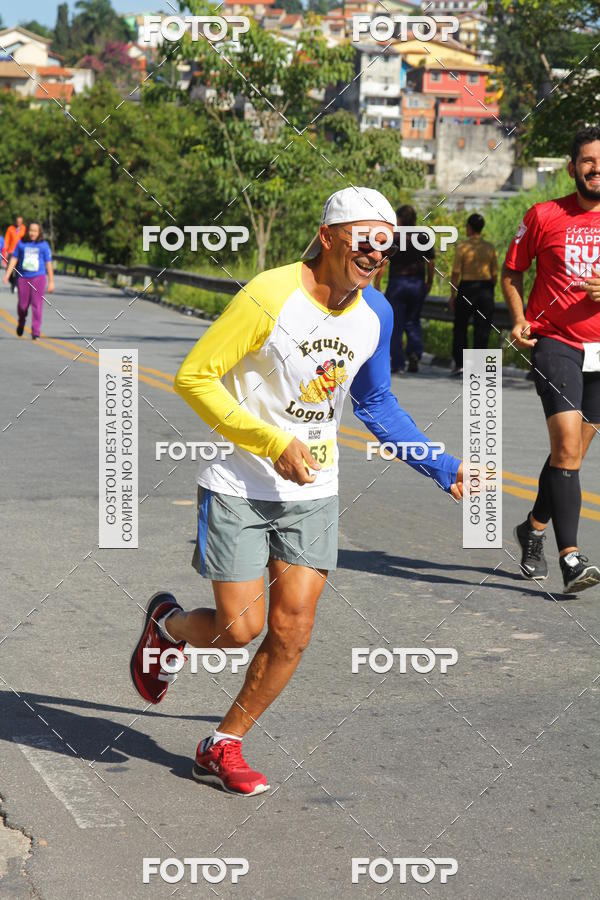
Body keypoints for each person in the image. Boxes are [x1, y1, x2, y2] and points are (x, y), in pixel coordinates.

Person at [130, 187, 464, 796]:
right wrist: (270, 442)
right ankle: (170, 626)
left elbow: (375, 401)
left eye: (385, 243)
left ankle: (223, 742)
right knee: (239, 629)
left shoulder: (376, 315)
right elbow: (194, 377)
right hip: (240, 484)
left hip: (314, 490)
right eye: (365, 239)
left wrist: (440, 465)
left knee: (293, 631)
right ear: (328, 235)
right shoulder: (268, 295)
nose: (375, 253)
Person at [504, 125, 600, 593]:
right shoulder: (544, 215)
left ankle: (533, 528)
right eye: (588, 160)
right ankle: (572, 558)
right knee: (565, 447)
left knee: (572, 456)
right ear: (572, 167)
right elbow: (512, 272)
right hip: (557, 342)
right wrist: (521, 318)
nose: (596, 168)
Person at [374, 204, 434, 374]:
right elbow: (431, 263)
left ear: (399, 219)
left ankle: (398, 364)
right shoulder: (423, 236)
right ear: (414, 219)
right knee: (413, 321)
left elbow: (383, 261)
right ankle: (414, 353)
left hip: (397, 284)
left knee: (396, 324)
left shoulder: (394, 237)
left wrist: (377, 283)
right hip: (417, 284)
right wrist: (429, 282)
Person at [449, 213, 498, 376]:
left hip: (467, 288)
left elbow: (456, 272)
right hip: (485, 289)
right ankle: (478, 366)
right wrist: (490, 290)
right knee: (482, 329)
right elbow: (495, 274)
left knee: (460, 328)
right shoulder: (489, 247)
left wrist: (452, 294)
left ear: (469, 228)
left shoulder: (462, 247)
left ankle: (460, 364)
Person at [4, 222, 54, 340]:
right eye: (31, 230)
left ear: (39, 232)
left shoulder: (43, 245)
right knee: (22, 306)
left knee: (37, 305)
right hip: (23, 277)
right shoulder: (21, 243)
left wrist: (51, 281)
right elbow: (14, 259)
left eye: (35, 231)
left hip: (39, 278)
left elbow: (49, 264)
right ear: (27, 231)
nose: (32, 233)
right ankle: (21, 322)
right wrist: (7, 275)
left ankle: (35, 331)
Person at [4, 216, 26, 293]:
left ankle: (15, 284)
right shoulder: (10, 228)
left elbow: (26, 240)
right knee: (8, 270)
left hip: (20, 253)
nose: (19, 223)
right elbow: (6, 240)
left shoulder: (24, 229)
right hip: (11, 252)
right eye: (17, 221)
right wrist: (5, 251)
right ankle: (12, 281)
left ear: (22, 222)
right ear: (16, 221)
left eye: (20, 221)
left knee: (18, 270)